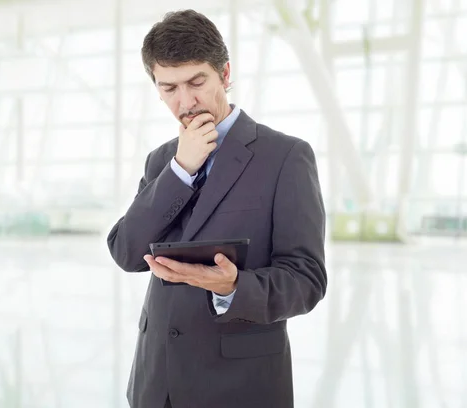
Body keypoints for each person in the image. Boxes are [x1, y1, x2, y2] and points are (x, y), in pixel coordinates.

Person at [107, 9, 327, 408]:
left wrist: (232, 287)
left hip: (239, 386)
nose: (185, 101)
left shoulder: (286, 157)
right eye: (169, 88)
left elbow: (307, 279)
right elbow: (126, 253)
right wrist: (181, 169)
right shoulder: (163, 161)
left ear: (225, 74)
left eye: (197, 81)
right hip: (157, 385)